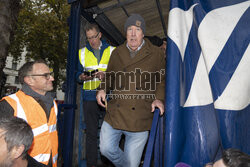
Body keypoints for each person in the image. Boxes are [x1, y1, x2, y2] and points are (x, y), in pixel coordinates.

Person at [96, 14, 165, 167]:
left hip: (140, 115)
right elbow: (109, 76)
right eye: (129, 29)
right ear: (126, 32)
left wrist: (159, 99)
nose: (133, 34)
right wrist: (102, 89)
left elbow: (161, 80)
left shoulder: (156, 53)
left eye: (137, 29)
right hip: (116, 112)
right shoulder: (117, 52)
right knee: (106, 149)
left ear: (143, 33)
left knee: (132, 163)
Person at [0, 59, 58, 167]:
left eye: (50, 74)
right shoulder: (9, 105)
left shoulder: (53, 103)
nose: (52, 78)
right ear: (29, 80)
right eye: (46, 75)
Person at [76, 22, 115, 167]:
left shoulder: (113, 51)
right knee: (91, 134)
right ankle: (91, 164)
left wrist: (107, 75)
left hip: (108, 97)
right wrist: (81, 77)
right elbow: (76, 75)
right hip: (89, 98)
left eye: (94, 37)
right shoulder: (81, 53)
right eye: (89, 38)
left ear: (100, 35)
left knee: (111, 133)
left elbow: (120, 74)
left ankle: (111, 164)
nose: (92, 41)